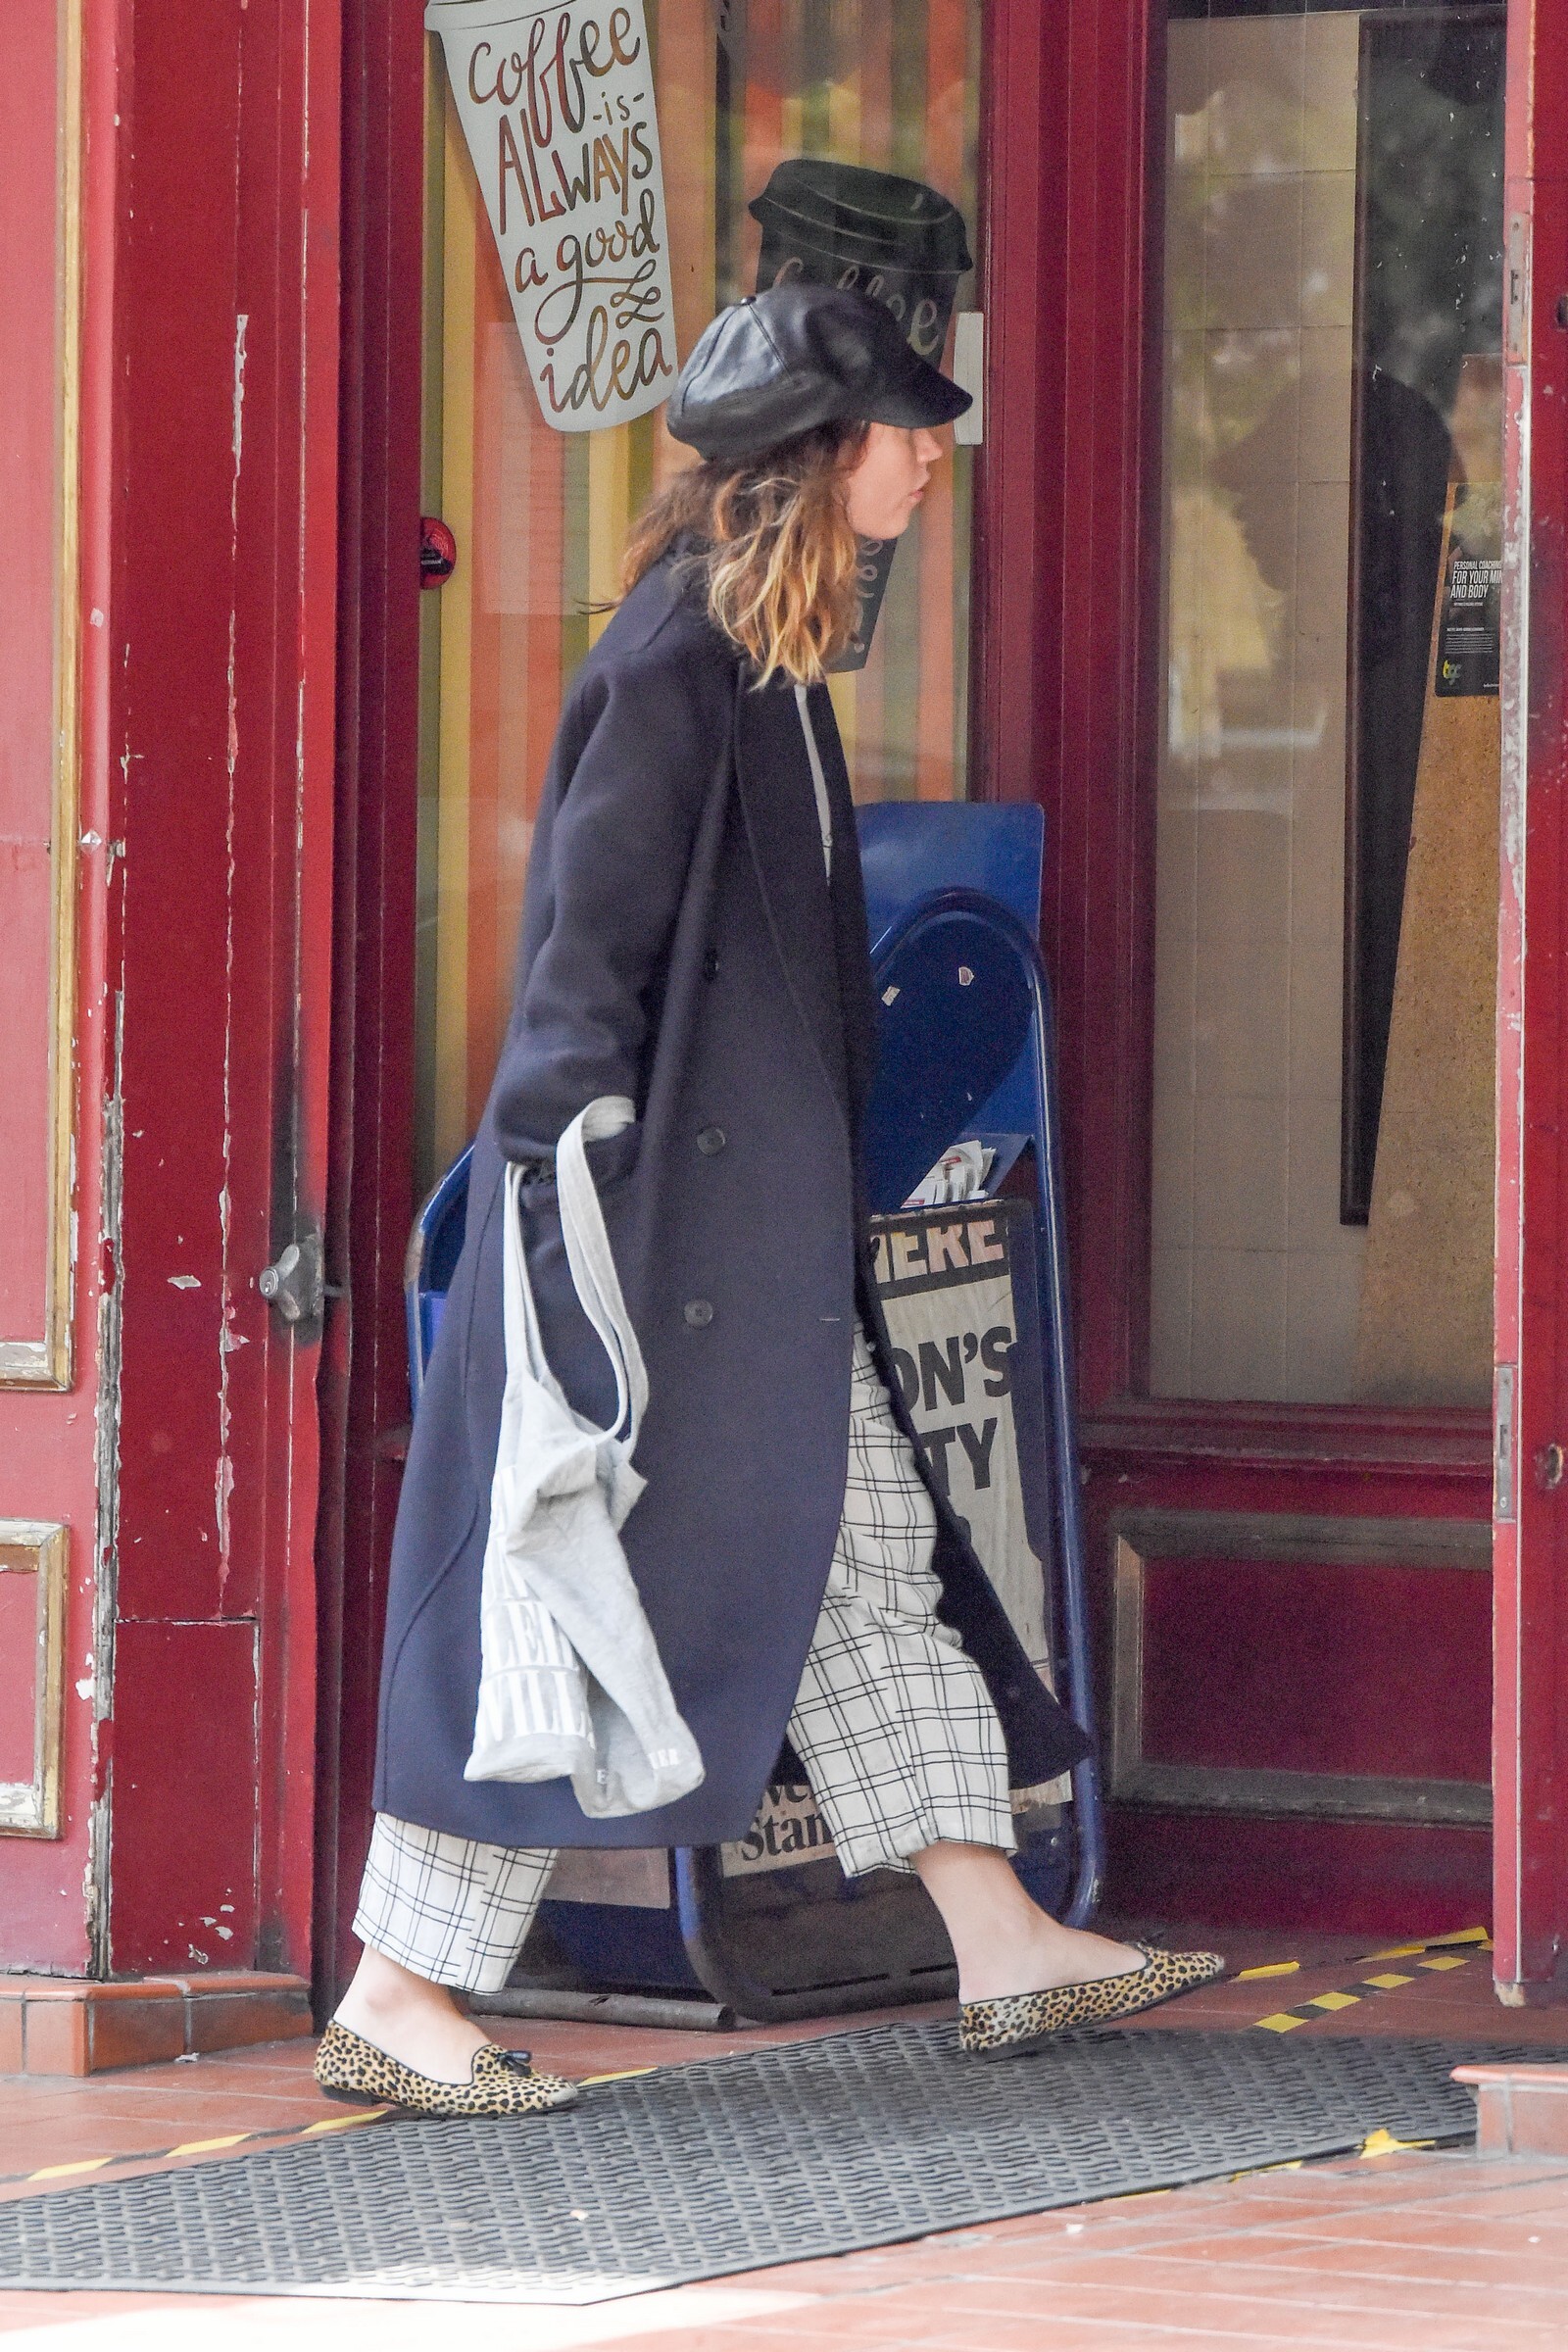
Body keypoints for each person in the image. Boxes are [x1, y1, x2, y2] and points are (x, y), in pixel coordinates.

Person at [315, 284, 1223, 2121]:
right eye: (906, 431)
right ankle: (397, 1990)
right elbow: (586, 956)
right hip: (639, 1244)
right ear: (823, 456)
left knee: (864, 1561)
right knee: (559, 1580)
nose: (933, 460)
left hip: (745, 1255)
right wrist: (570, 1228)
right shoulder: (679, 654)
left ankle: (999, 1936)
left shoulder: (763, 650)